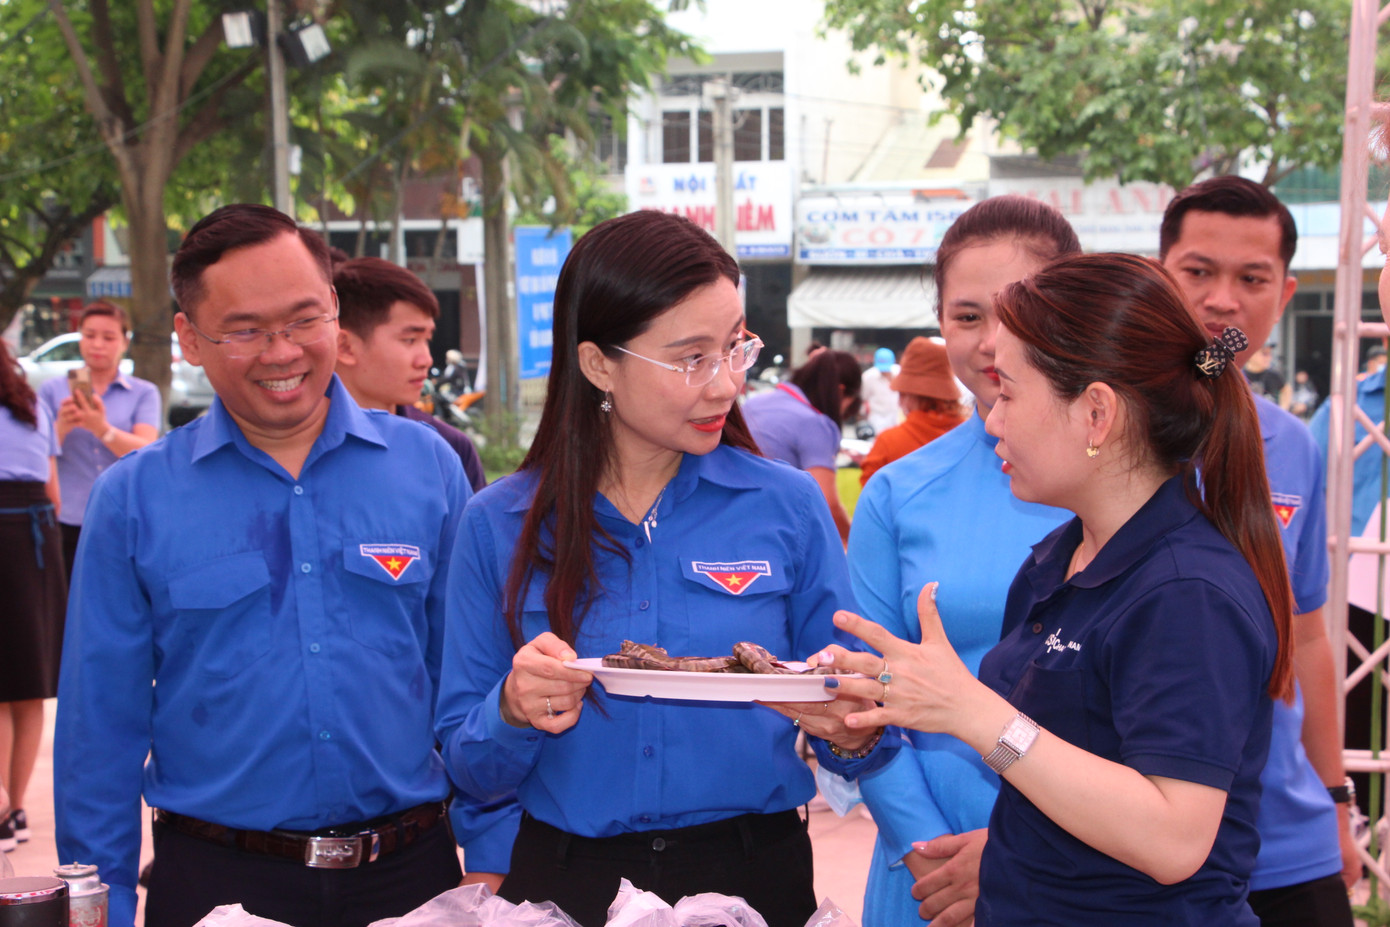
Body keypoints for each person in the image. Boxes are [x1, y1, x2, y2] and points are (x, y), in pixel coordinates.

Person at [432, 210, 897, 927]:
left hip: (753, 876)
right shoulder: (501, 523)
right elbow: (467, 763)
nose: (724, 385)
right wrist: (511, 709)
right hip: (568, 884)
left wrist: (853, 725)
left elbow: (860, 718)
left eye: (735, 348)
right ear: (597, 364)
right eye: (691, 358)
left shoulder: (787, 506)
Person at [821, 252, 1294, 925]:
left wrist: (972, 713)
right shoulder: (1059, 559)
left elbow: (1173, 837)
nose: (992, 421)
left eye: (1009, 392)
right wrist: (890, 700)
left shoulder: (1186, 591)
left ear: (1097, 414)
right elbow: (1060, 792)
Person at [54, 205, 471, 927]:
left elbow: (470, 683)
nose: (282, 351)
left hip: (414, 881)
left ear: (335, 314)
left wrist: (494, 854)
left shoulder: (428, 467)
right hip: (217, 884)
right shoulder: (134, 498)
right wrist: (104, 904)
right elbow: (100, 730)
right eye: (245, 330)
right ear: (189, 338)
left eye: (304, 319)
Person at [847, 195, 1078, 927]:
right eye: (967, 316)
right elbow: (863, 699)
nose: (990, 343)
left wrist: (1016, 855)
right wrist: (929, 851)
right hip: (927, 880)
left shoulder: (1138, 484)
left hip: (1086, 873)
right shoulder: (895, 494)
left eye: (1018, 312)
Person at [1161, 176, 1356, 925]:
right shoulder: (1108, 430)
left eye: (1252, 279)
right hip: (1146, 843)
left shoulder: (1294, 445)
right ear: (1159, 274)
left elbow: (1307, 632)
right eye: (1198, 272)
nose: (1222, 302)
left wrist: (1337, 799)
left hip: (1286, 839)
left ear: (1285, 291)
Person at [333, 256, 487, 494]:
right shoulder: (294, 444)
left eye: (427, 340)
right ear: (345, 347)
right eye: (409, 340)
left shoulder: (449, 448)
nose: (425, 359)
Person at [37, 301, 159, 578]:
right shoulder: (51, 390)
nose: (97, 345)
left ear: (125, 342)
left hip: (123, 516)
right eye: (89, 335)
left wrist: (101, 428)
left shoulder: (143, 392)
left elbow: (147, 450)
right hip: (65, 516)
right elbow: (34, 453)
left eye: (108, 337)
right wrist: (62, 427)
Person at [0, 339, 64, 854]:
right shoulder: (33, 405)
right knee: (27, 686)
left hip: (4, 526)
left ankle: (0, 811)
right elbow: (54, 490)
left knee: (2, 688)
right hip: (39, 534)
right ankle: (14, 807)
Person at [742, 349, 862, 544]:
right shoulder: (815, 424)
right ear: (841, 392)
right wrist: (854, 544)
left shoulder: (755, 403)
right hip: (771, 528)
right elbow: (828, 504)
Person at [858, 337, 967, 486]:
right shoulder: (973, 436)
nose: (899, 402)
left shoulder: (888, 443)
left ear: (910, 395)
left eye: (901, 393)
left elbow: (870, 500)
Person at [860, 347, 901, 436]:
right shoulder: (868, 377)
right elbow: (862, 399)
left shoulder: (900, 373)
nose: (884, 371)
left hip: (897, 416)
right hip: (877, 418)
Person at [1244, 344, 1293, 409]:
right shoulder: (1240, 375)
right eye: (1264, 354)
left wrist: (1282, 410)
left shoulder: (1273, 375)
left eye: (1270, 354)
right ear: (1251, 354)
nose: (1269, 358)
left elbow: (1286, 389)